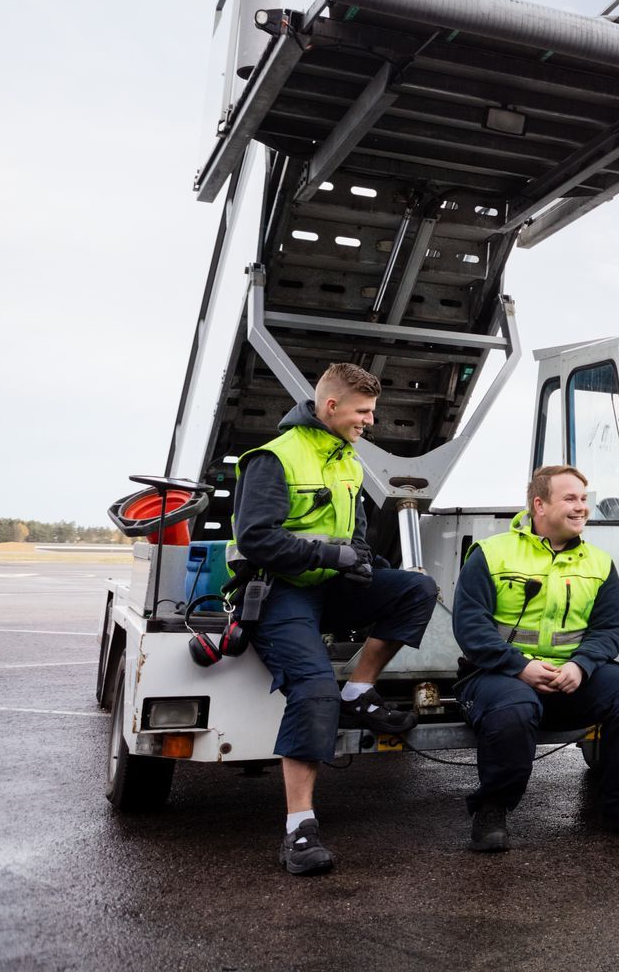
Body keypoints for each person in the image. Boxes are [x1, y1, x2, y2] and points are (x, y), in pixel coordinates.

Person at [232, 363, 440, 876]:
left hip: (333, 588)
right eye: (363, 412)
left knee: (417, 589)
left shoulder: (348, 459)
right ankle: (298, 830)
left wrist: (365, 561)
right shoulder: (273, 458)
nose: (370, 421)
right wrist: (331, 558)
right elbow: (255, 537)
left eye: (372, 412)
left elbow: (355, 528)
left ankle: (359, 692)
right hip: (282, 592)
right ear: (331, 407)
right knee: (313, 687)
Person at [453, 464, 619, 849]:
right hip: (497, 676)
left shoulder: (599, 563)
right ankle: (492, 810)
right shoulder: (491, 554)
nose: (582, 507)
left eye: (584, 499)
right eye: (570, 499)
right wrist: (521, 667)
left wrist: (581, 666)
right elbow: (471, 630)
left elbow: (608, 629)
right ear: (539, 505)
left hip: (569, 679)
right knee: (514, 707)